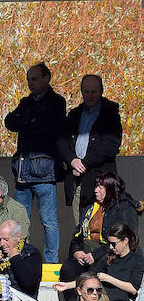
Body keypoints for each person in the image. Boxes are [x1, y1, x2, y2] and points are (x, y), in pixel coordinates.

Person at [4, 62, 66, 262]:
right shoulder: (25, 102)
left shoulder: (56, 101)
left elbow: (48, 126)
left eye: (34, 79)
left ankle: (51, 261)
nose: (30, 83)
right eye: (29, 79)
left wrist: (27, 121)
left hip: (44, 172)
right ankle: (23, 257)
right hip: (23, 173)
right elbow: (9, 122)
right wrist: (29, 121)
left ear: (46, 79)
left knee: (49, 221)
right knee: (20, 222)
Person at [60, 172, 139, 287]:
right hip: (86, 252)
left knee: (94, 273)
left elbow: (126, 238)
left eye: (100, 187)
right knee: (68, 270)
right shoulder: (90, 207)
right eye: (96, 186)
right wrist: (76, 251)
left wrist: (95, 255)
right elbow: (78, 233)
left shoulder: (124, 208)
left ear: (111, 189)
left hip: (110, 254)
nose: (96, 190)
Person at [58, 74, 122, 210]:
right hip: (76, 180)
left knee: (100, 226)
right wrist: (72, 161)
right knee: (80, 226)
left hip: (101, 180)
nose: (89, 95)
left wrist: (84, 163)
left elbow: (111, 145)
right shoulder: (74, 114)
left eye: (93, 92)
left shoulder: (110, 114)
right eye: (86, 92)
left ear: (101, 91)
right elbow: (61, 141)